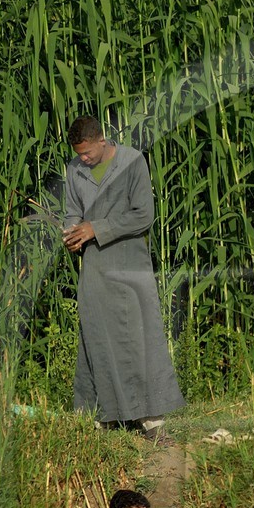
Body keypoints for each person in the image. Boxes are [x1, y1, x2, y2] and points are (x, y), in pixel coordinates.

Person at [62, 116, 185, 440]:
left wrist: (95, 228)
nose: (83, 159)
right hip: (95, 266)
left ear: (102, 141)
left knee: (139, 336)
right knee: (96, 337)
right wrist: (73, 230)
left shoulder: (133, 162)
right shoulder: (74, 169)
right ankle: (104, 416)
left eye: (88, 153)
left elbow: (143, 215)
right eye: (79, 154)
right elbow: (72, 209)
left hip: (130, 263)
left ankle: (151, 420)